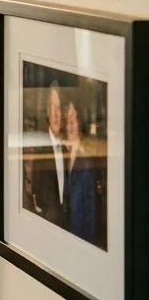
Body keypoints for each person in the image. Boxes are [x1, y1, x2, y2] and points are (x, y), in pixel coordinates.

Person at [29, 82, 68, 225]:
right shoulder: (40, 149)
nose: (57, 114)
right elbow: (36, 197)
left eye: (59, 108)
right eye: (53, 108)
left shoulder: (67, 146)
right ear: (47, 110)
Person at [63, 100, 98, 244]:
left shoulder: (85, 161)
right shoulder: (63, 154)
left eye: (74, 118)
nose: (70, 124)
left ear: (80, 123)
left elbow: (88, 215)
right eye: (67, 119)